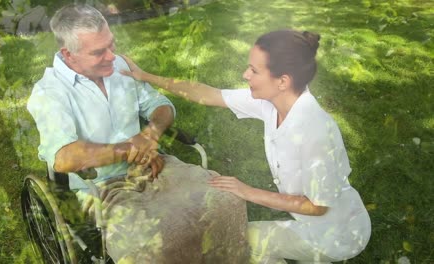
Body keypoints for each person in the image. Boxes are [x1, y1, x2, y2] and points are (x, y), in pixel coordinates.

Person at [121, 29, 372, 263]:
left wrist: (247, 191)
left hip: (338, 234)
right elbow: (206, 93)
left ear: (282, 81)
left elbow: (317, 206)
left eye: (254, 70)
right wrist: (145, 77)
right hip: (319, 220)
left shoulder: (316, 132)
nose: (245, 75)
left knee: (241, 239)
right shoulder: (273, 101)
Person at [27, 4, 249, 263]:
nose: (112, 56)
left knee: (228, 199)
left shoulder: (118, 66)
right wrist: (132, 149)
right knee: (151, 244)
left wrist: (150, 135)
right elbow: (64, 156)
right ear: (68, 54)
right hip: (100, 187)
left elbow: (161, 106)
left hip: (154, 164)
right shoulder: (49, 93)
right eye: (99, 52)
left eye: (112, 44)